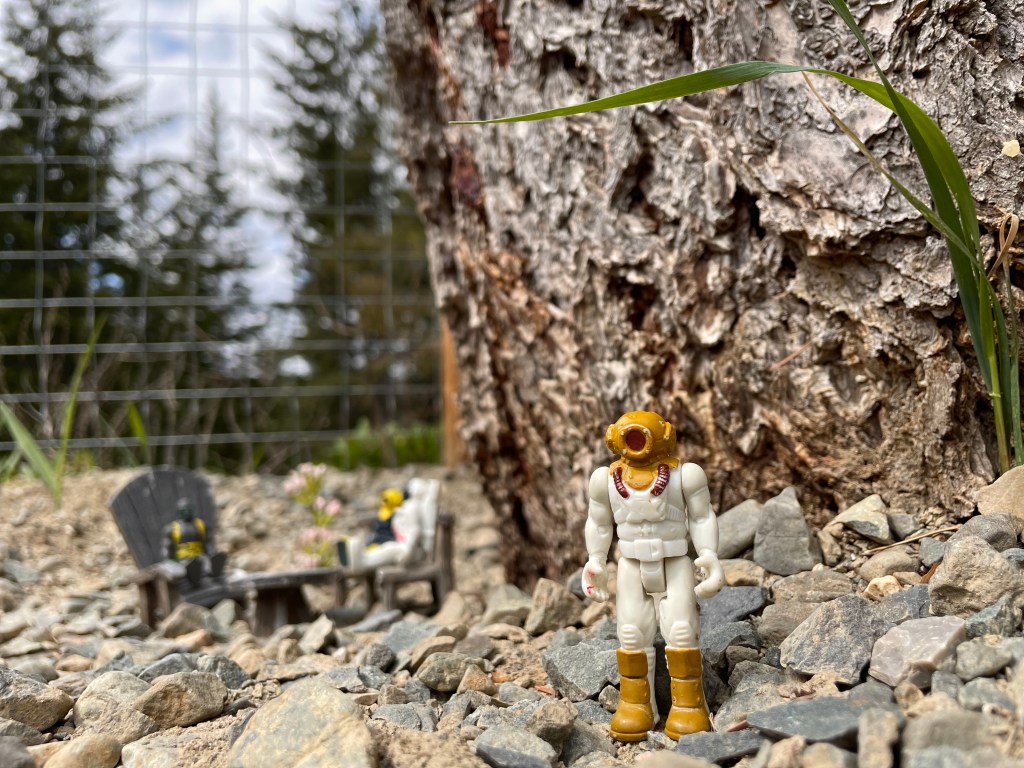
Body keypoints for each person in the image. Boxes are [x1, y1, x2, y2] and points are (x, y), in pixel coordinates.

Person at [582, 411, 724, 742]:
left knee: (681, 630)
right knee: (631, 633)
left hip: (675, 559)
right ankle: (635, 704)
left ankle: (689, 705)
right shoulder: (604, 479)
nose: (636, 440)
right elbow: (599, 523)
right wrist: (595, 561)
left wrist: (710, 556)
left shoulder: (684, 476)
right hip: (630, 563)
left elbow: (702, 517)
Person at [162, 498, 225, 587]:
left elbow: (208, 543)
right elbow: (168, 548)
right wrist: (171, 561)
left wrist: (212, 554)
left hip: (200, 556)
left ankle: (214, 576)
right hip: (183, 559)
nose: (187, 512)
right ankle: (195, 579)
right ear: (180, 512)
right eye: (184, 510)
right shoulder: (172, 529)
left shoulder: (201, 525)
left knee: (207, 566)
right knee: (187, 570)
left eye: (189, 510)